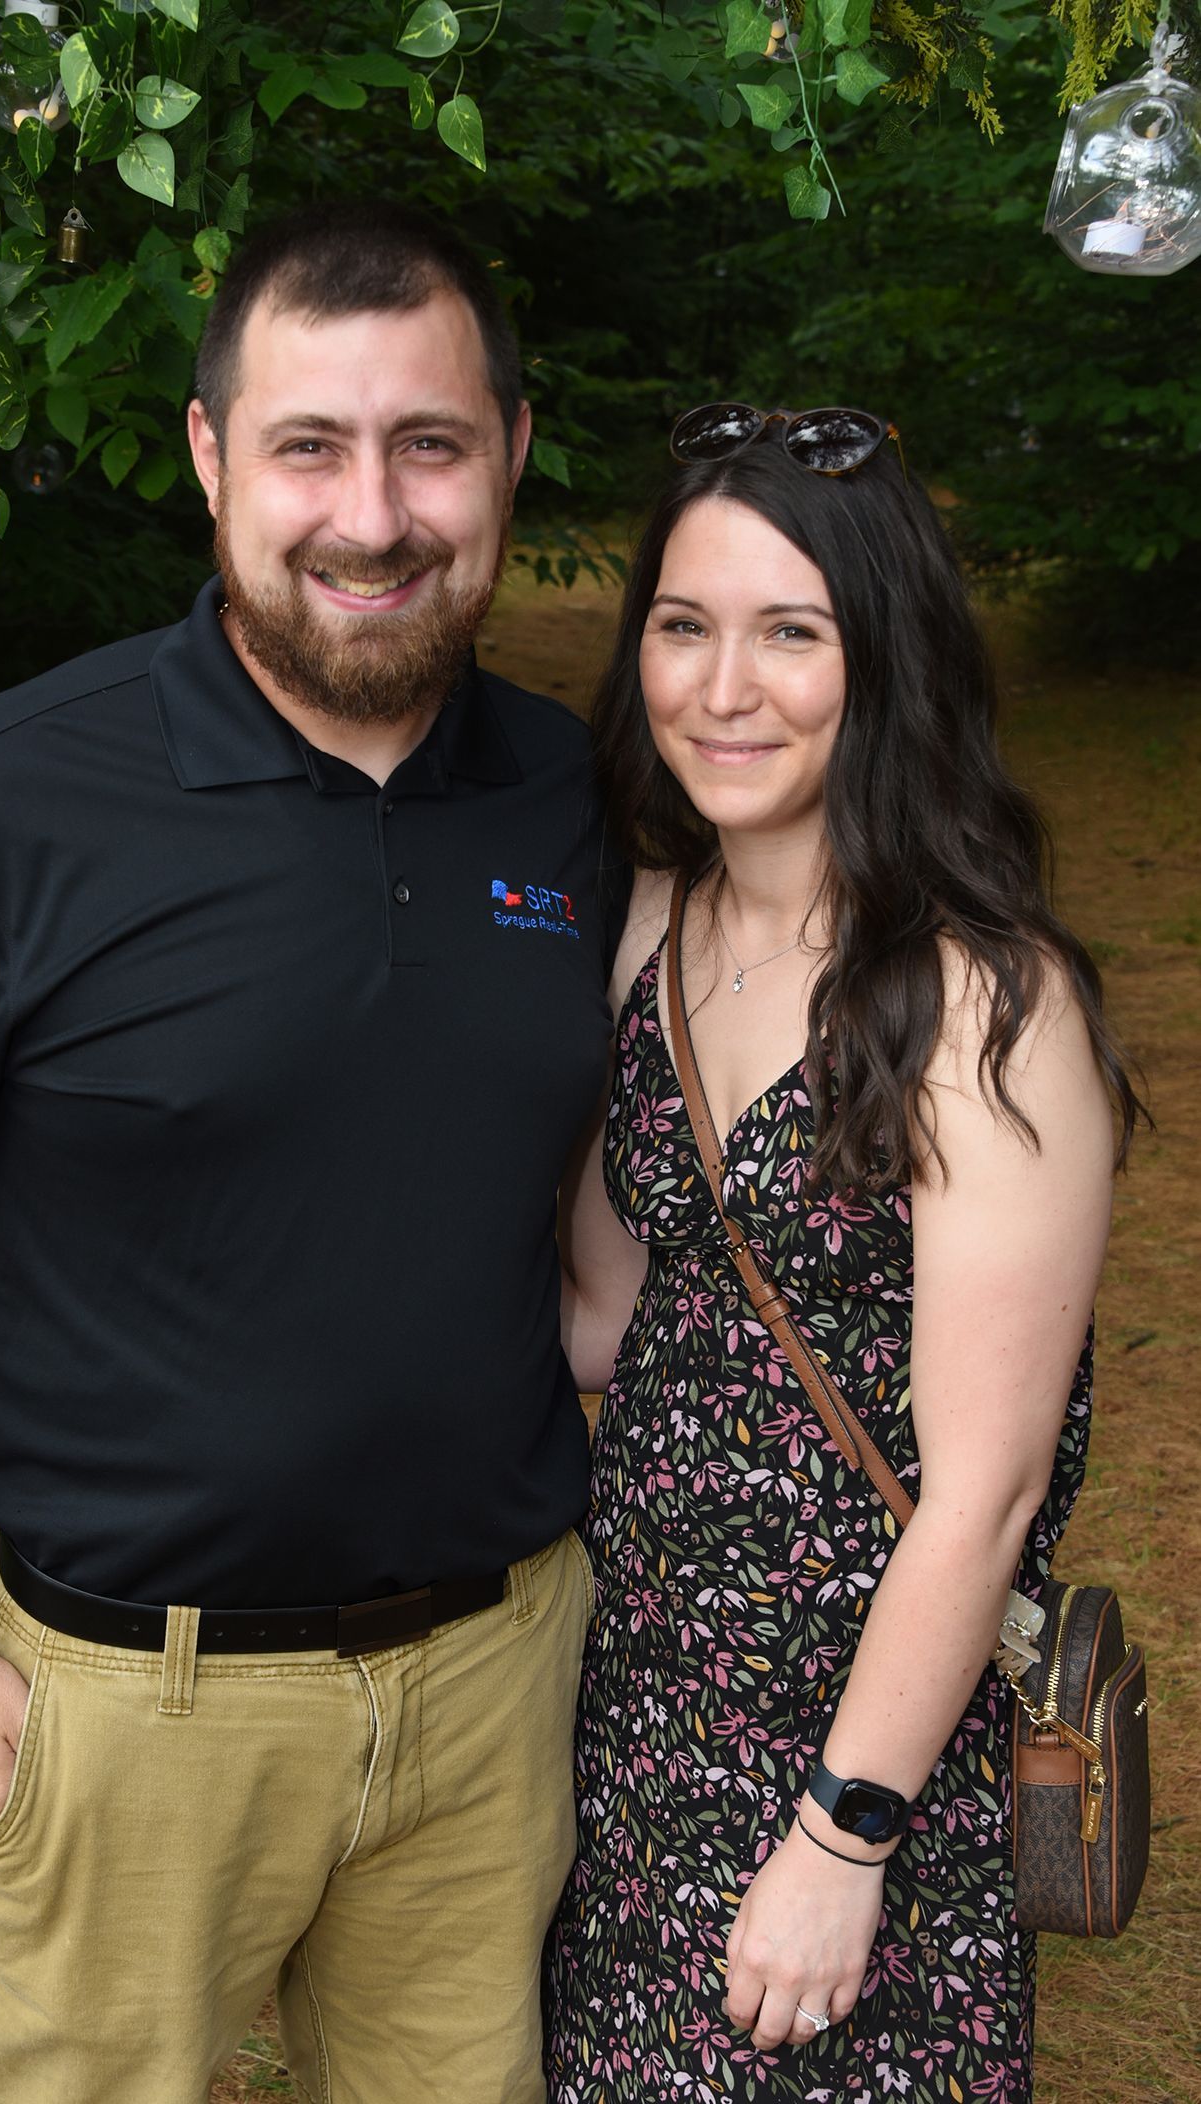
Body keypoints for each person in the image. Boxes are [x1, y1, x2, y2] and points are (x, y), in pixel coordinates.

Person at [0, 201, 626, 2104]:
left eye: (429, 444)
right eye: (311, 446)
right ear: (213, 457)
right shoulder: (9, 804)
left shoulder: (572, 797)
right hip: (127, 1712)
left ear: (511, 453)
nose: (372, 516)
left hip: (490, 1697)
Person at [543, 405, 1141, 2102]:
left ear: (886, 659)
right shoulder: (648, 932)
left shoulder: (987, 1002)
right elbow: (609, 1323)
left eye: (791, 634)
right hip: (637, 1727)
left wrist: (843, 1833)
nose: (723, 688)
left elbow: (986, 1493)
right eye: (684, 625)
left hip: (866, 1760)